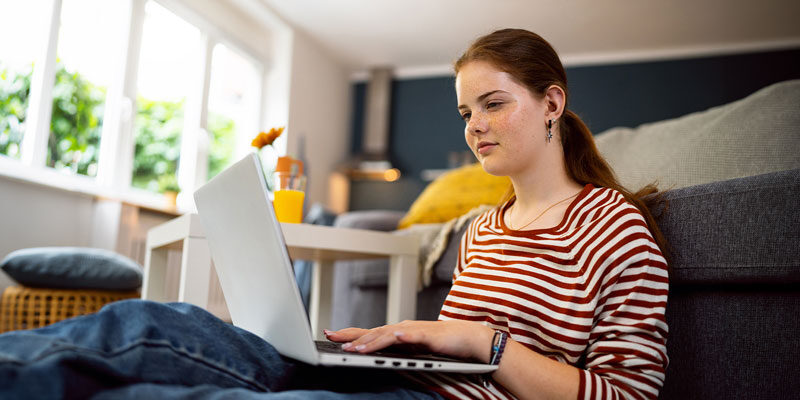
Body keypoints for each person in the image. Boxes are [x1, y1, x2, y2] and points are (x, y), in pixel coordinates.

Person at [0, 28, 668, 400]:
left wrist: (487, 346)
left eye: (494, 104)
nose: (475, 127)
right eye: (466, 112)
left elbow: (628, 396)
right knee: (159, 321)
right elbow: (451, 342)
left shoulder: (616, 228)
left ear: (553, 103)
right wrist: (404, 340)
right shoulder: (483, 227)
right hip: (407, 388)